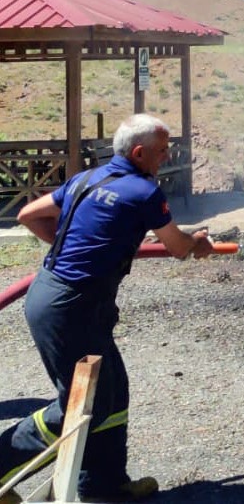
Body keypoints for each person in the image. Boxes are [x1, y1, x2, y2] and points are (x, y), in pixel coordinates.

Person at [0, 114, 216, 503]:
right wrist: (197, 242)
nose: (166, 158)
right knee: (79, 404)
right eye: (162, 151)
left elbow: (27, 215)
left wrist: (68, 249)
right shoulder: (144, 192)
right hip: (72, 307)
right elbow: (179, 248)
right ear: (139, 153)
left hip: (56, 294)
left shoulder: (86, 179)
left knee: (112, 391)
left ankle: (104, 486)